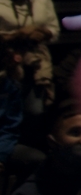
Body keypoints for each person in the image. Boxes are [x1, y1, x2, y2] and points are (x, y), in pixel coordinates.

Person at [1, 0, 59, 109]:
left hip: (37, 61)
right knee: (10, 108)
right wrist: (18, 35)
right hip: (8, 61)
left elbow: (54, 30)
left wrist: (42, 33)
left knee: (35, 110)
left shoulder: (43, 0)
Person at [4, 34, 47, 182]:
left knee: (37, 160)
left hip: (1, 147)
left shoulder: (9, 87)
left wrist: (1, 156)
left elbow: (10, 128)